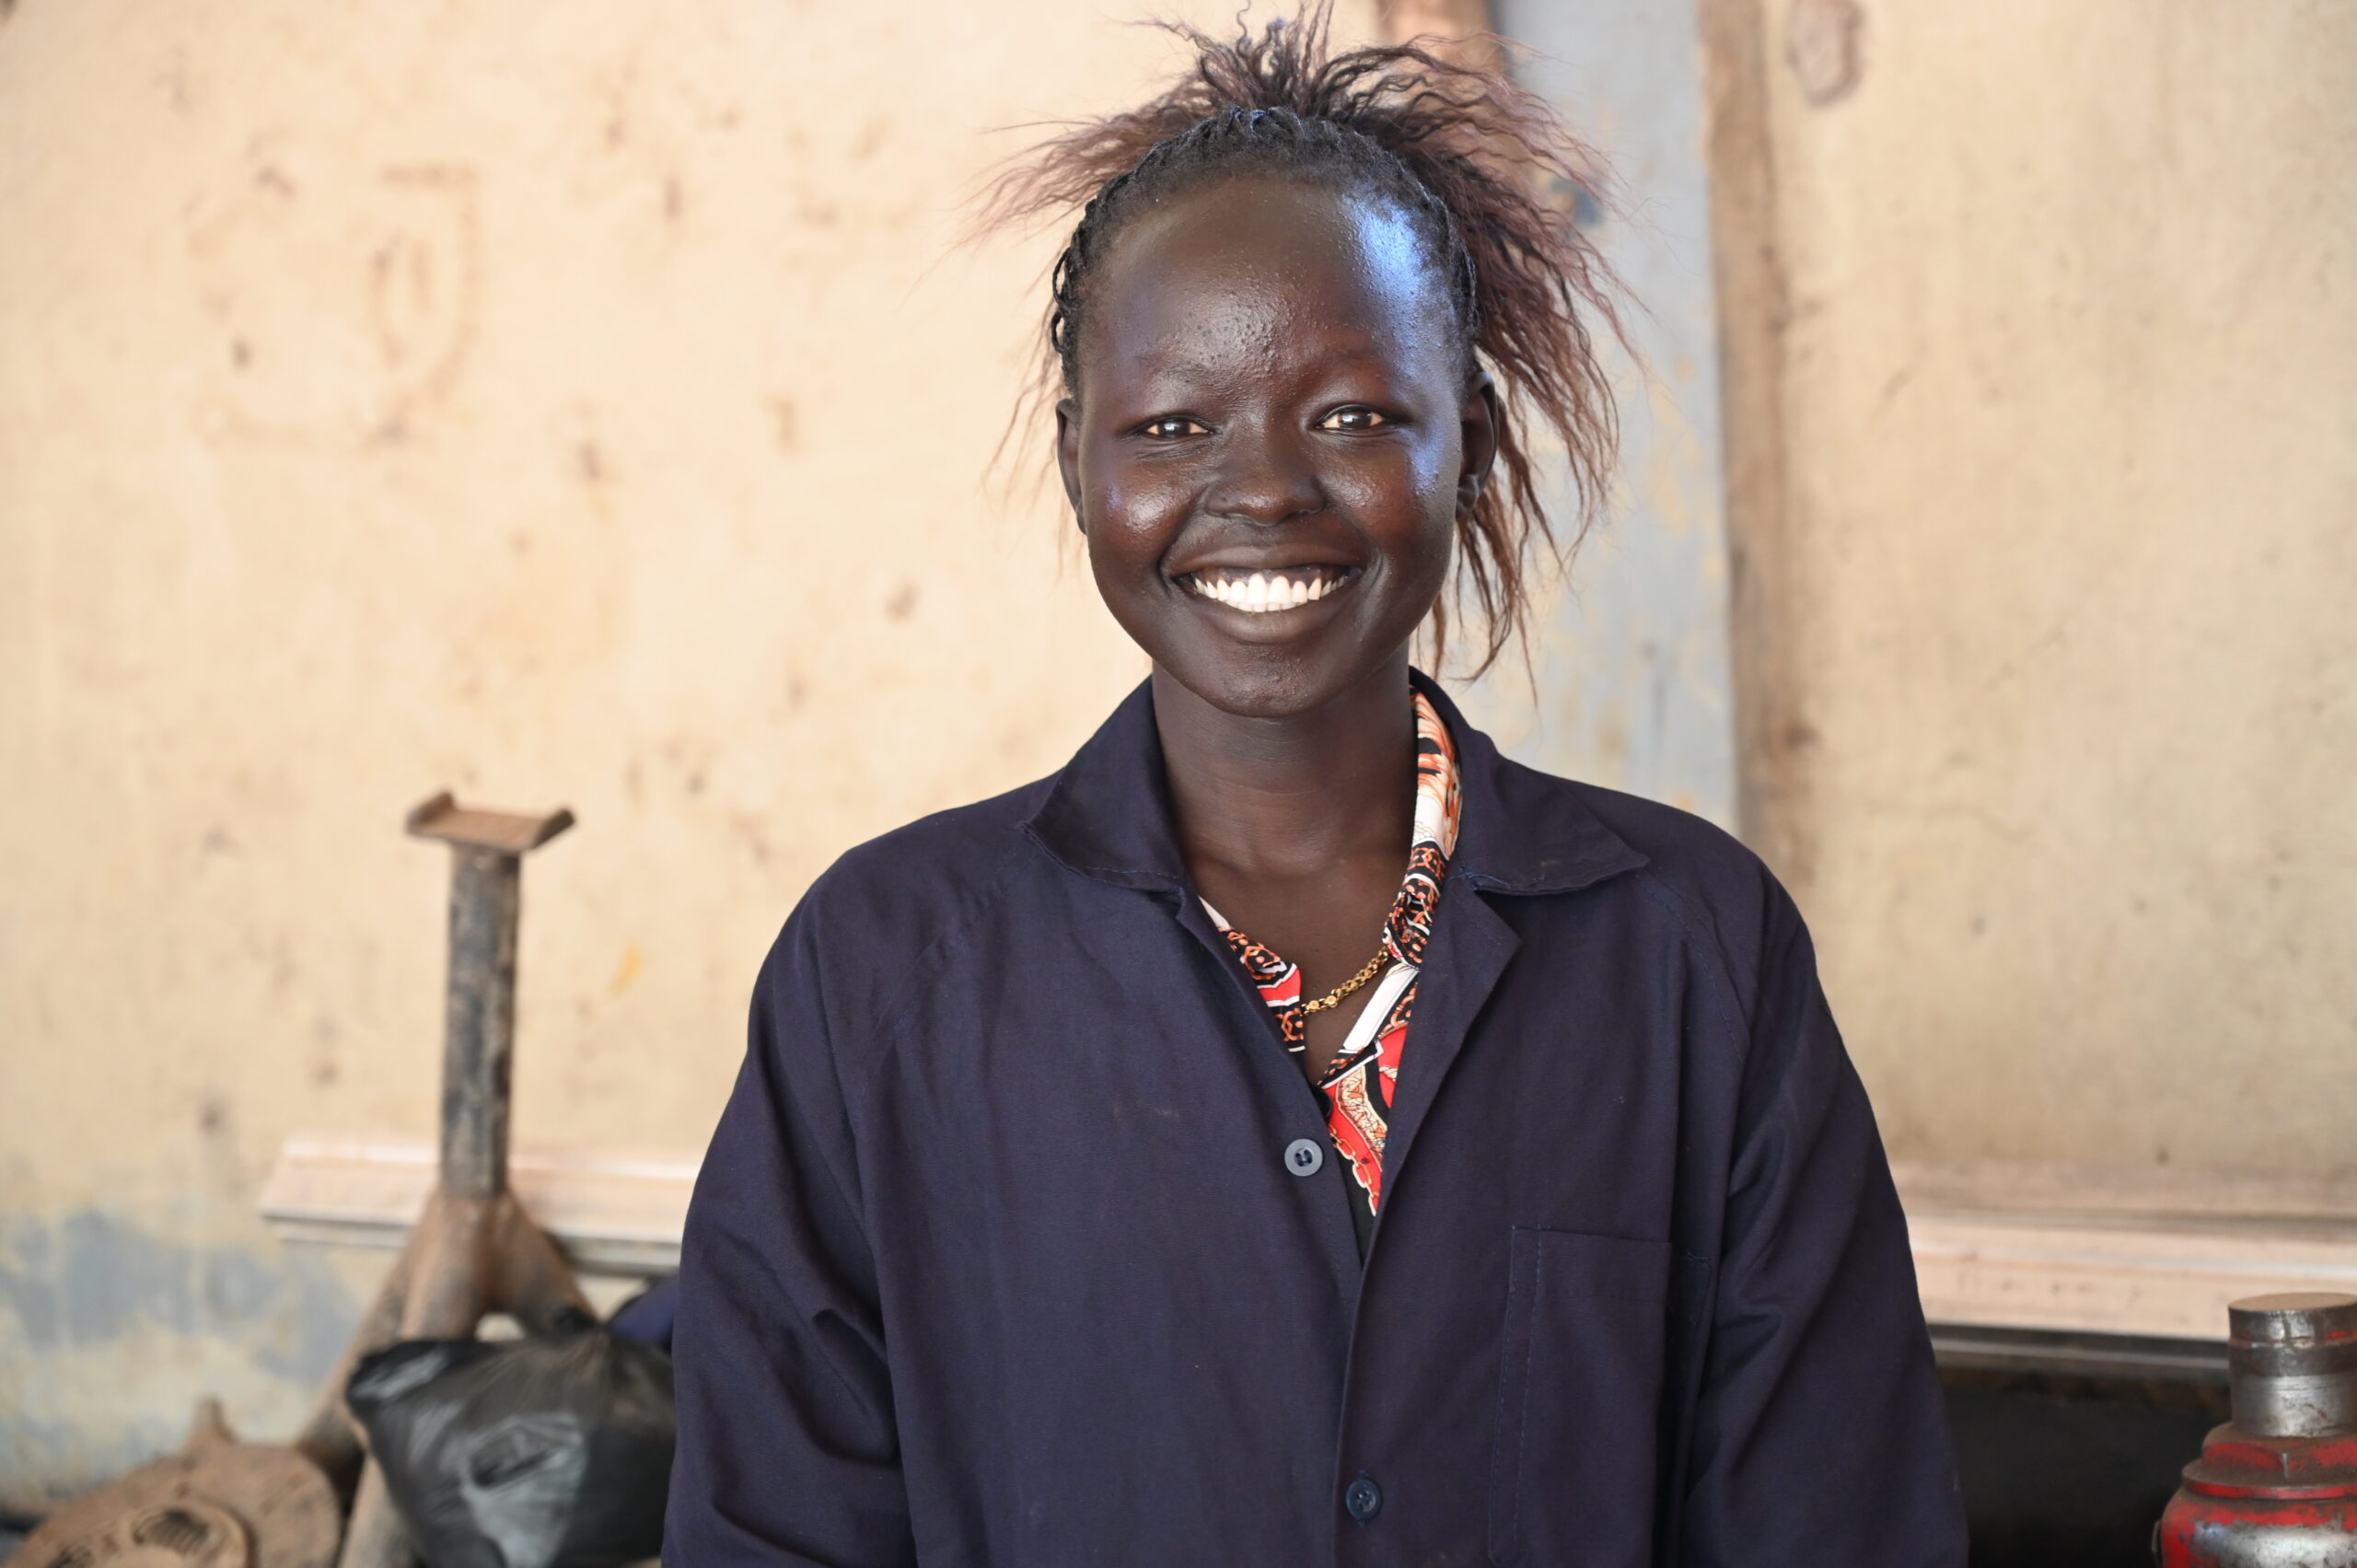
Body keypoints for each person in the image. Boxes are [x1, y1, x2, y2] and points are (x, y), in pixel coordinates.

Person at [665, 10, 1965, 1564]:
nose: (1265, 488)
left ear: (1467, 445)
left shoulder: (1692, 952)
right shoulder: (882, 976)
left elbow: (1837, 1526)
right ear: (1083, 463)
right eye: (1171, 427)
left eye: (1350, 416)